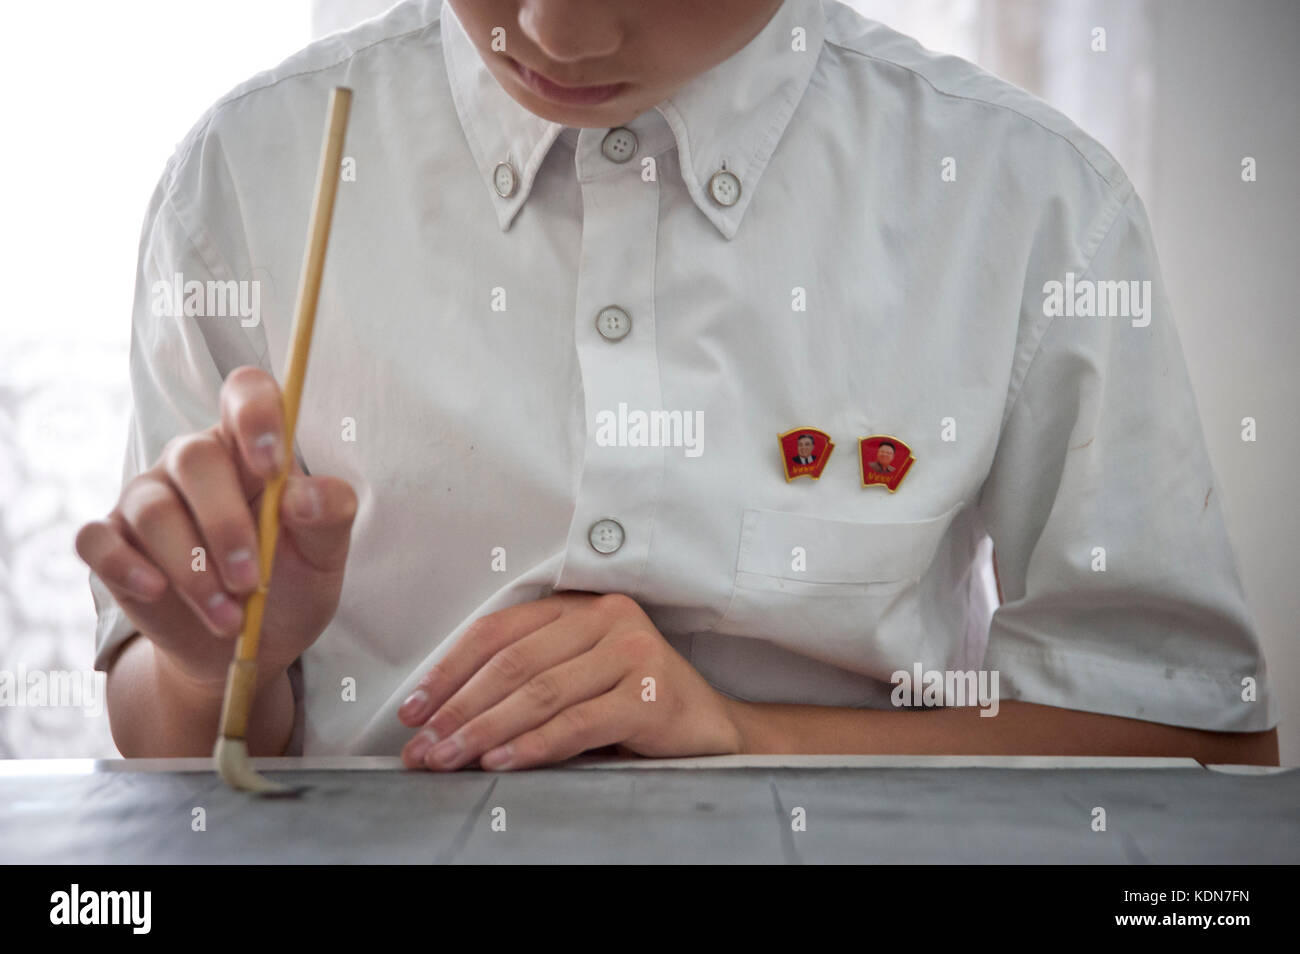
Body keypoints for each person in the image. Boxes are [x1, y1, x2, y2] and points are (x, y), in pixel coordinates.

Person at [76, 0, 1278, 770]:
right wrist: (218, 662)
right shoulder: (251, 174)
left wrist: (751, 736)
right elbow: (168, 749)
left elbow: (1201, 751)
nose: (554, 32)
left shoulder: (1026, 203)